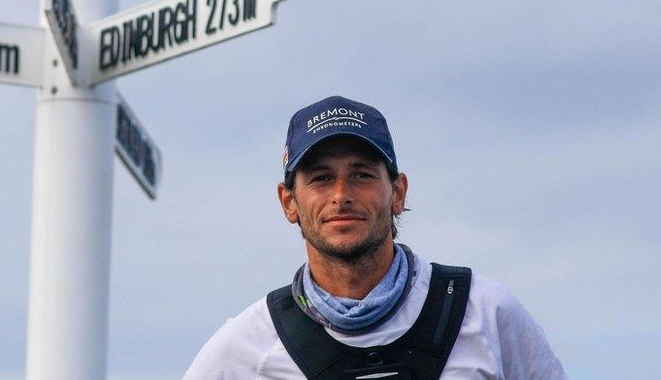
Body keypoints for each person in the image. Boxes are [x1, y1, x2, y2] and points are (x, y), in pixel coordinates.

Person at [184, 96, 566, 379]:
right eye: (320, 177)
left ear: (398, 192)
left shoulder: (485, 312)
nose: (341, 194)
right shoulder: (247, 347)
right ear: (289, 202)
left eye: (362, 174)